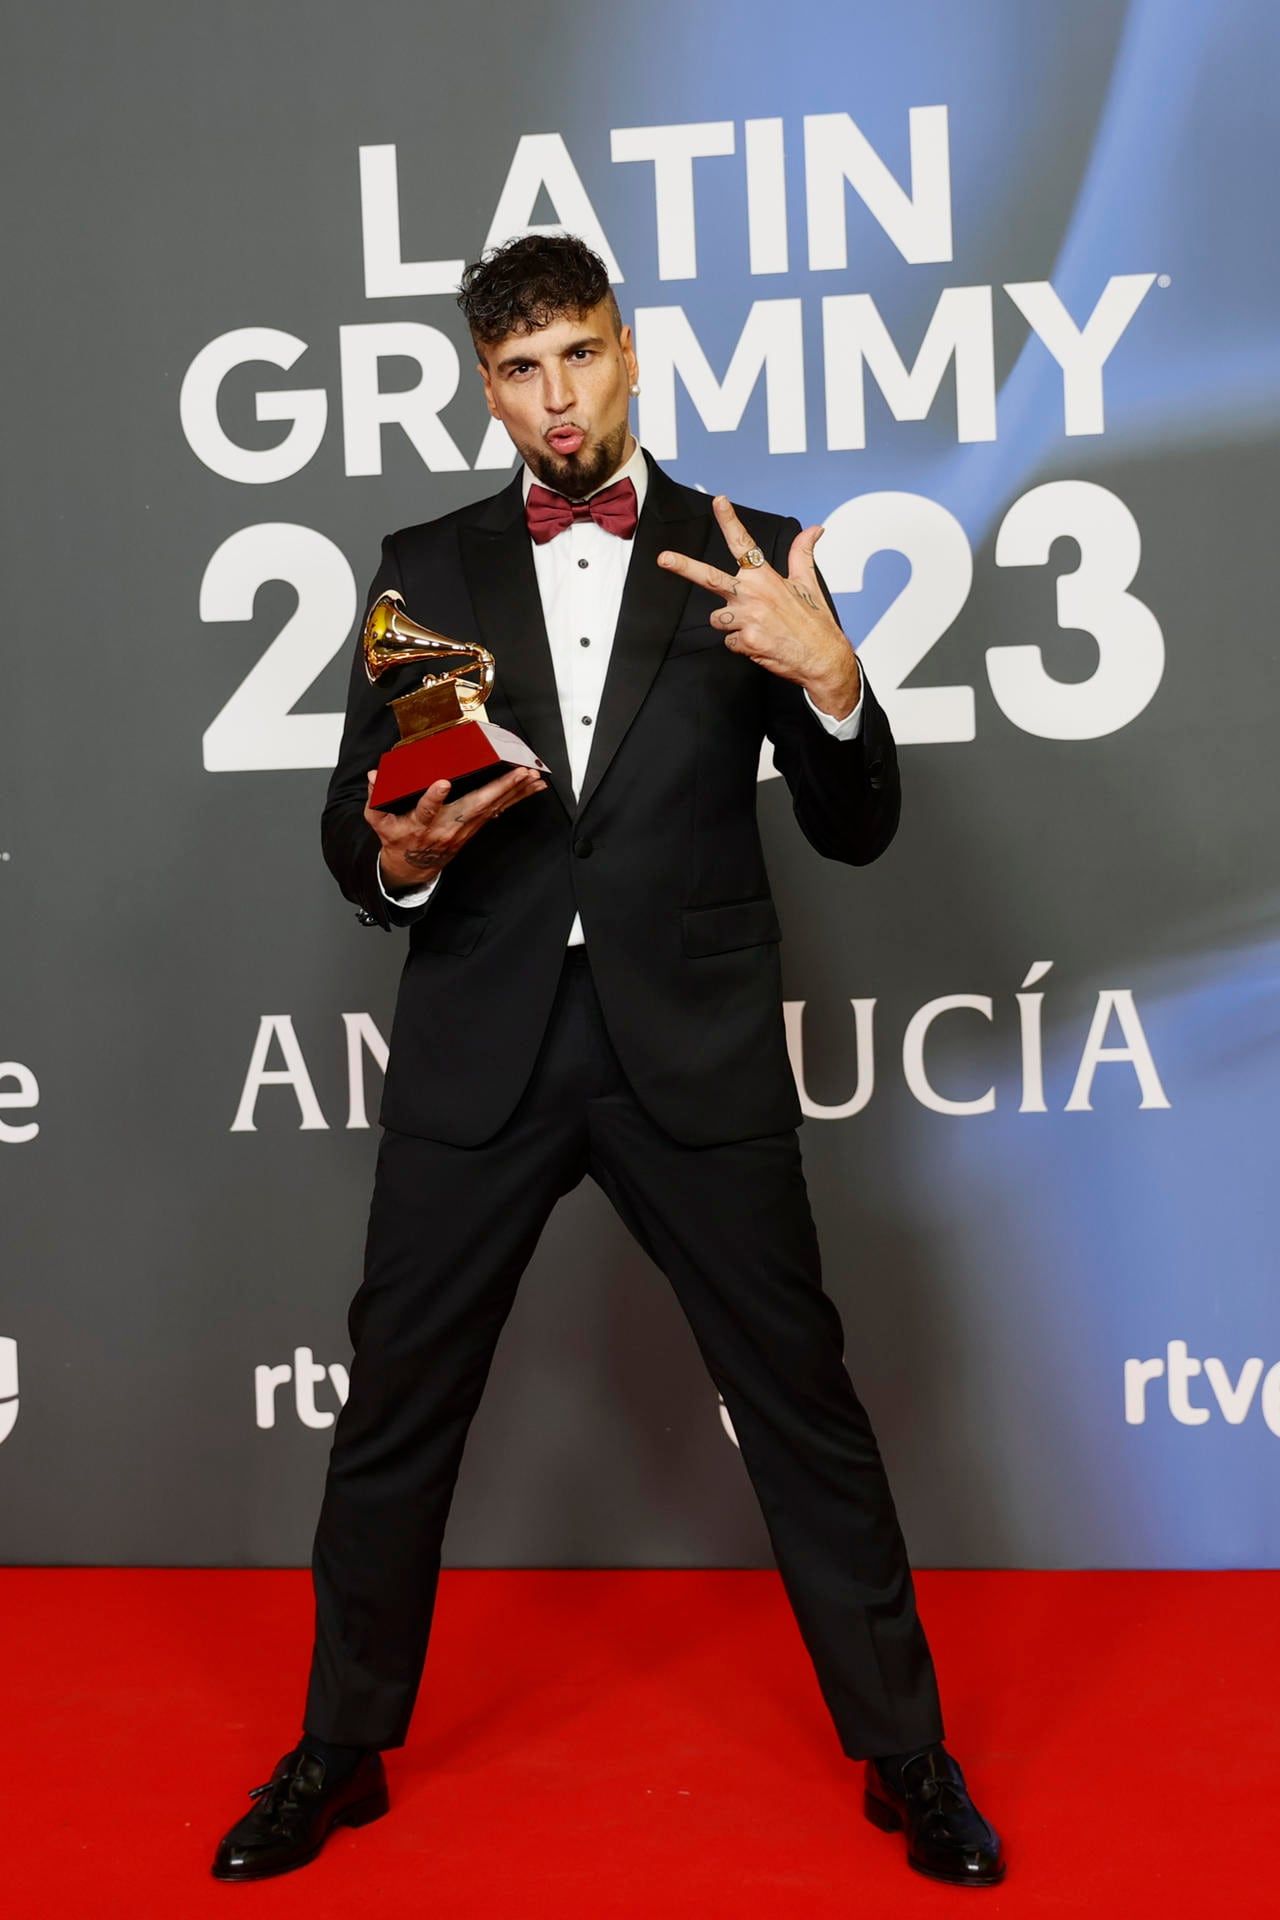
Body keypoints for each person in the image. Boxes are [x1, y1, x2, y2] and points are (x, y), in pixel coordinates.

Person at [212, 232, 1005, 1889]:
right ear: (486, 387)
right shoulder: (424, 566)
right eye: (521, 370)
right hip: (481, 1046)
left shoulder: (745, 553)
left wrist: (838, 683)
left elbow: (859, 830)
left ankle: (907, 1755)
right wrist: (403, 855)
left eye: (579, 354)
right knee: (396, 1407)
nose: (557, 398)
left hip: (691, 1051)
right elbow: (356, 833)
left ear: (627, 351)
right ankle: (339, 1748)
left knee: (799, 1400)